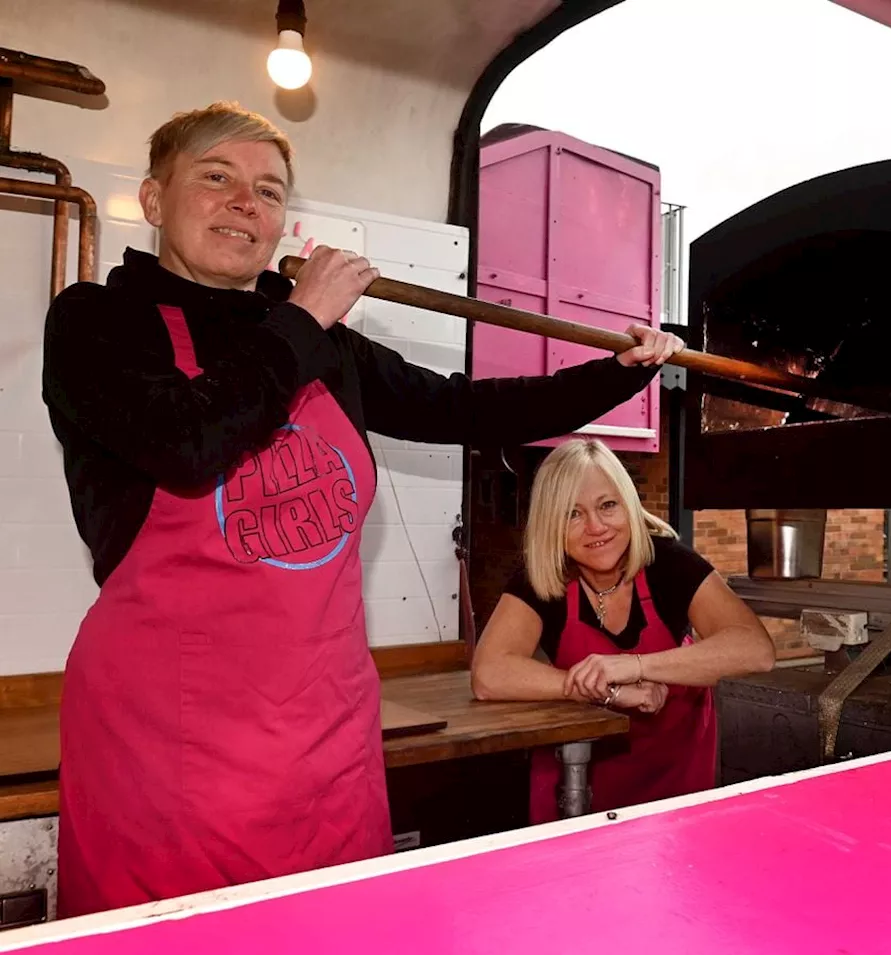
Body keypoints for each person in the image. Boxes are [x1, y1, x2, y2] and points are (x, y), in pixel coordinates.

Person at [40, 101, 685, 919]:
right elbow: (188, 442)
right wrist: (304, 316)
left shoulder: (321, 345)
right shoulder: (99, 322)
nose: (247, 202)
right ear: (156, 199)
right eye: (216, 177)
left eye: (268, 191)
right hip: (166, 754)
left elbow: (467, 410)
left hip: (325, 741)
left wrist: (616, 371)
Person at [471, 438, 775, 823]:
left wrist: (632, 666)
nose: (596, 527)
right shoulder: (541, 578)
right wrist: (607, 689)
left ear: (629, 505)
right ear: (551, 524)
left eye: (607, 506)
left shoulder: (669, 565)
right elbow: (489, 674)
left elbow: (755, 650)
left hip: (674, 794)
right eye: (572, 514)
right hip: (573, 791)